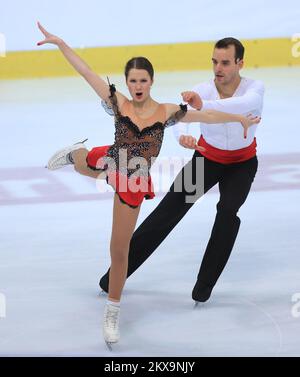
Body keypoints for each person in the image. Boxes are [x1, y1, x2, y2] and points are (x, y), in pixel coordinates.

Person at [37, 24, 260, 346]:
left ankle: (112, 310)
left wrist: (238, 119)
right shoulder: (118, 103)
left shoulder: (166, 111)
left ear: (151, 82)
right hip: (112, 159)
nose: (138, 85)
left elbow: (207, 116)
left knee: (119, 248)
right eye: (133, 80)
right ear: (127, 83)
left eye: (143, 80)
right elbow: (86, 73)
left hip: (133, 181)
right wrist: (61, 44)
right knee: (89, 170)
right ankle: (77, 155)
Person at [98, 37, 265, 304]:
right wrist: (183, 137)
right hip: (206, 161)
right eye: (214, 62)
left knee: (227, 211)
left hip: (241, 166)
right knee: (170, 210)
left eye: (224, 62)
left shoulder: (254, 88)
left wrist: (202, 105)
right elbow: (180, 118)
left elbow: (240, 107)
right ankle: (112, 278)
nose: (218, 68)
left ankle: (203, 287)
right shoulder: (203, 89)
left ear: (239, 63)